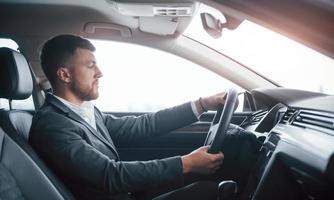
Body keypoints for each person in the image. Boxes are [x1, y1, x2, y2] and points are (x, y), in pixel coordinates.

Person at [29, 34, 228, 200]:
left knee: (206, 187)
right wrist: (187, 163)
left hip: (126, 194)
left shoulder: (85, 112)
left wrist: (202, 105)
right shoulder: (53, 124)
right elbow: (110, 175)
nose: (100, 73)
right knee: (209, 192)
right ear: (64, 75)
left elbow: (143, 125)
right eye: (90, 66)